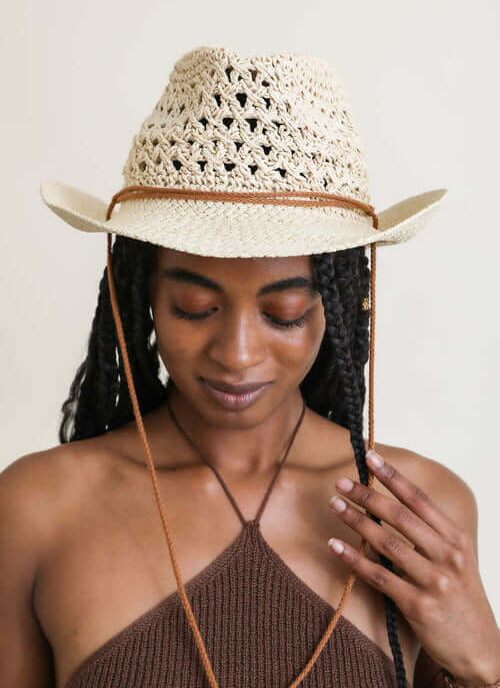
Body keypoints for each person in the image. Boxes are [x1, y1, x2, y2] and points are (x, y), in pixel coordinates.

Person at [2, 46, 499, 688]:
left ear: (341, 305)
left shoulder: (419, 513)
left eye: (283, 314)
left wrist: (486, 665)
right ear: (141, 293)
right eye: (195, 307)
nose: (237, 355)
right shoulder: (38, 510)